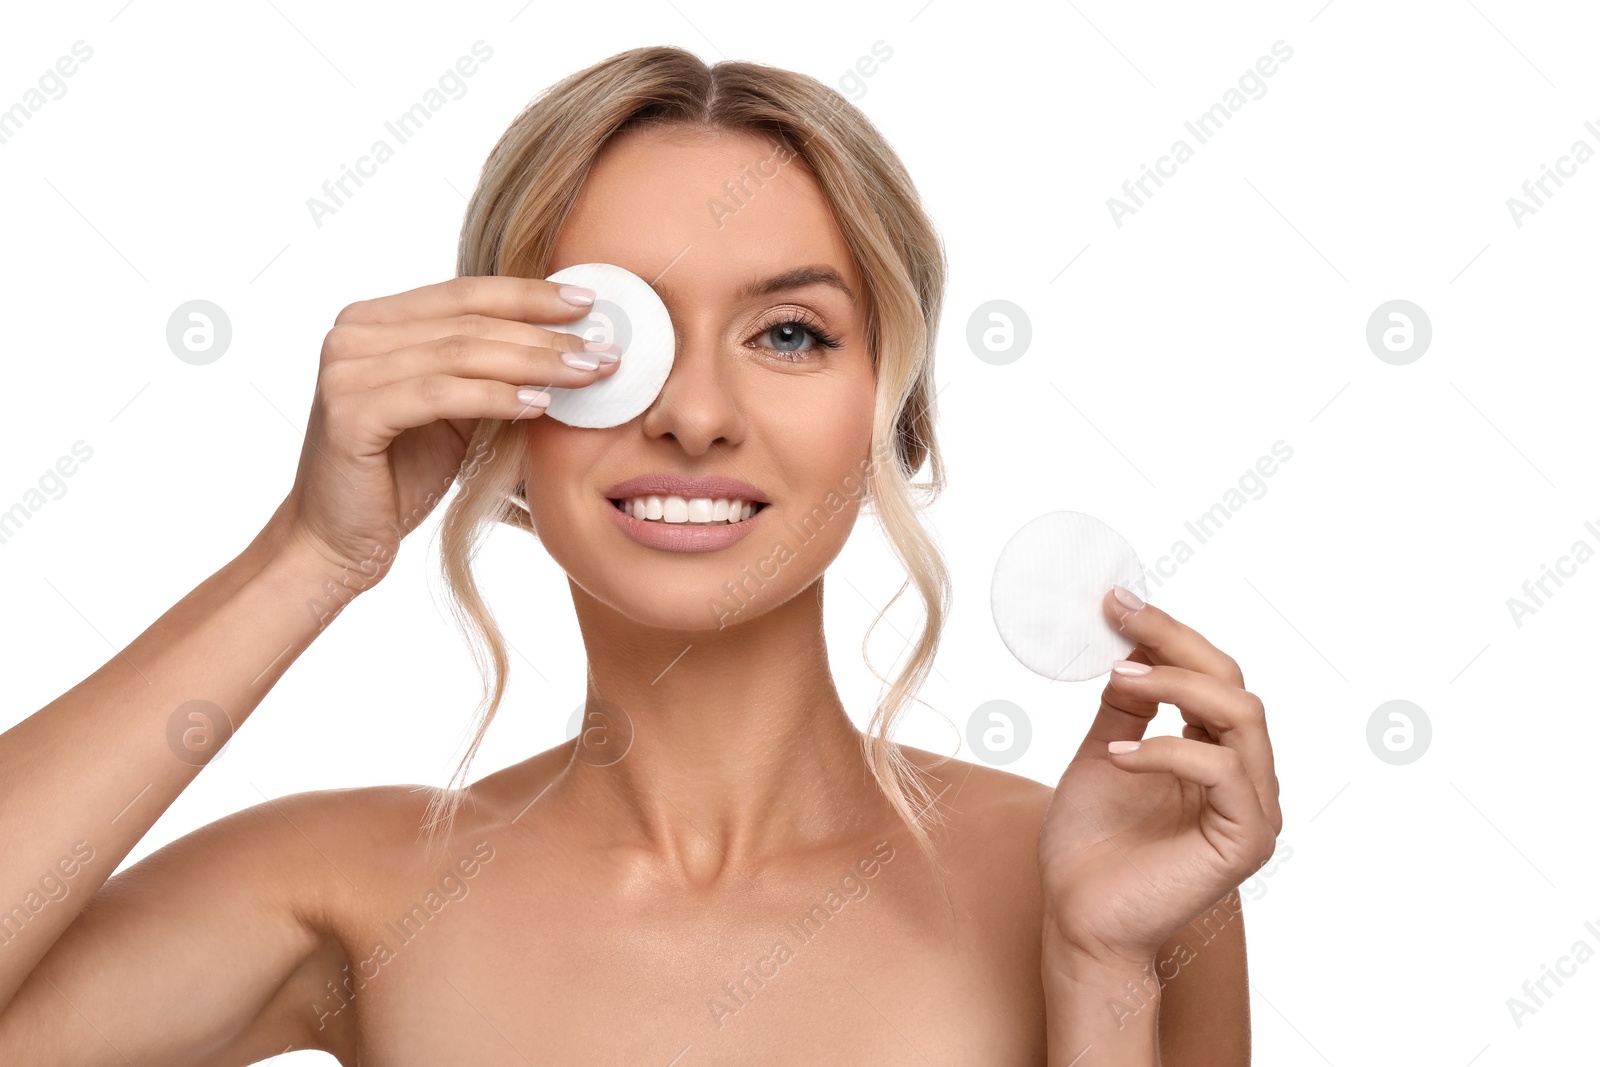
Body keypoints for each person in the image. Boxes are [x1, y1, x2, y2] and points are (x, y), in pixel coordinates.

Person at [0, 45, 1281, 1064]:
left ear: (895, 414)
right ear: (495, 395)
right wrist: (311, 552)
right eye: (614, 334)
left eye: (788, 334)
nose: (698, 413)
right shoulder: (352, 891)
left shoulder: (1100, 875)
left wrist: (1100, 975)